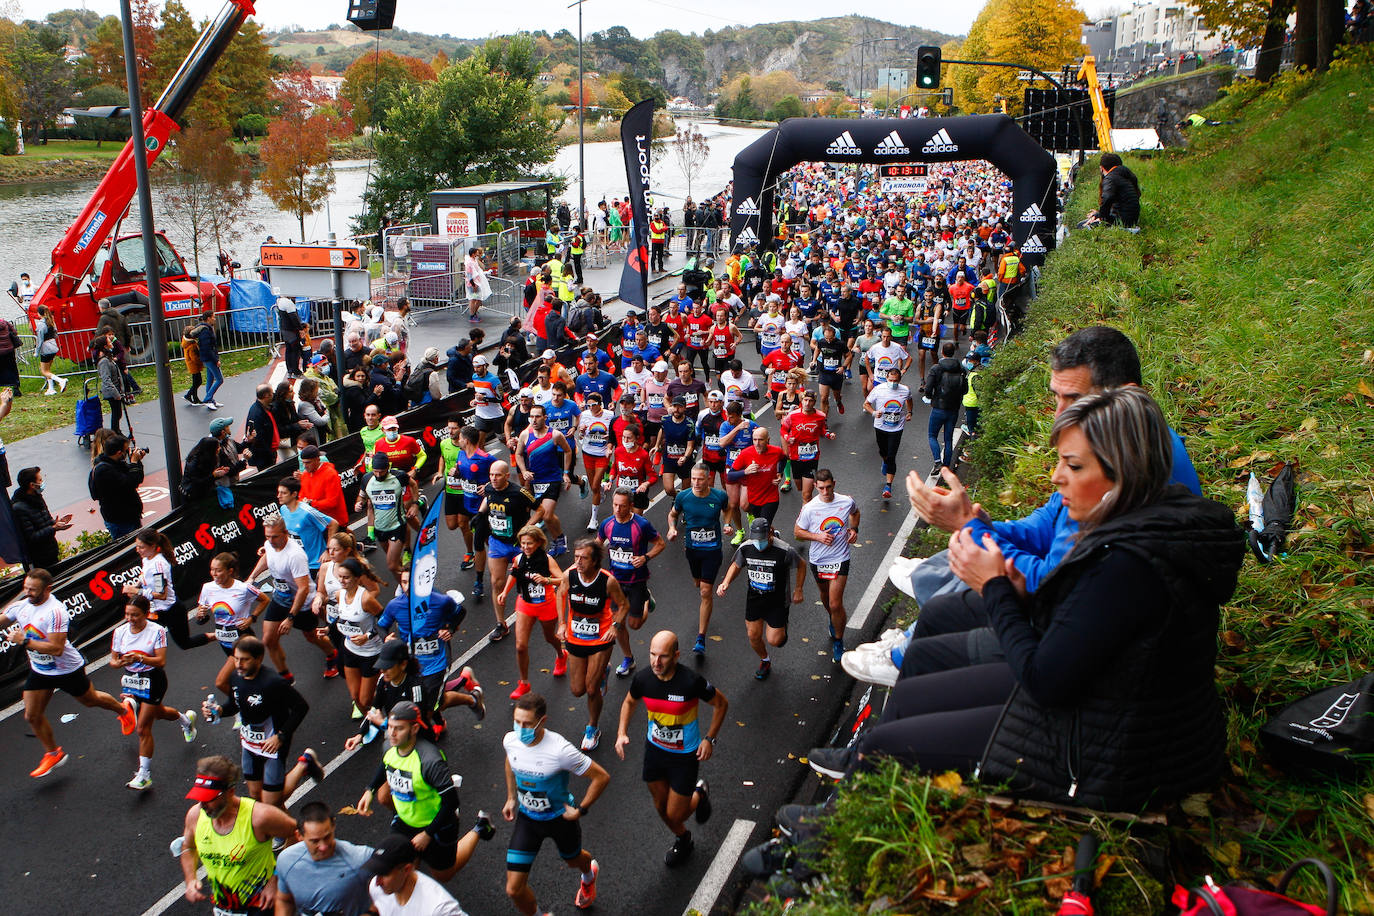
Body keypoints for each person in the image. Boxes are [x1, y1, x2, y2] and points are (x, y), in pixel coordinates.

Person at [806, 388, 1245, 814]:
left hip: (1107, 755)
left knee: (889, 744)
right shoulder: (1131, 523)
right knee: (917, 682)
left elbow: (1045, 680)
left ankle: (828, 839)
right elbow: (1074, 616)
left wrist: (995, 586)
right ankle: (848, 791)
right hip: (1114, 708)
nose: (1056, 478)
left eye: (1072, 466)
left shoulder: (1124, 562)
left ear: (1122, 472)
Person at [1, 568, 138, 777]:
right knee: (32, 714)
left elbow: (56, 648)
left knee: (90, 700)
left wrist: (25, 641)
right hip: (41, 671)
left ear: (48, 589)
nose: (28, 593)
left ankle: (124, 710)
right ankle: (53, 753)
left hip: (66, 669)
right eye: (26, 588)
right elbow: (3, 618)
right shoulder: (22, 605)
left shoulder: (55, 612)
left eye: (33, 590)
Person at [614, 630, 726, 866]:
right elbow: (629, 702)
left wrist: (709, 739)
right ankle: (683, 838)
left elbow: (721, 704)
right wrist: (621, 733)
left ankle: (700, 793)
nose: (656, 662)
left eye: (663, 656)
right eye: (652, 655)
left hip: (684, 755)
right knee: (660, 807)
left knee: (676, 813)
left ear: (675, 655)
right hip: (655, 751)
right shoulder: (643, 679)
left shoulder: (690, 682)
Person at [358, 701, 492, 883]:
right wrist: (370, 790)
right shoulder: (389, 747)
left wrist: (427, 834)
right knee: (400, 869)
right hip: (404, 822)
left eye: (399, 729)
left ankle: (479, 828)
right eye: (389, 727)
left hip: (438, 825)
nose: (392, 733)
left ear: (414, 729)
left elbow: (452, 802)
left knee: (443, 875)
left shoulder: (430, 761)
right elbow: (386, 765)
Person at [503, 691, 610, 914]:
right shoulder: (510, 740)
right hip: (528, 820)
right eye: (517, 722)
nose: (520, 729)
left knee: (573, 860)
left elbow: (601, 777)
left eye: (527, 724)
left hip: (560, 819)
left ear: (542, 722)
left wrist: (581, 810)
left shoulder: (560, 750)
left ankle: (588, 875)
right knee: (513, 889)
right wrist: (512, 797)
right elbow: (510, 762)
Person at [203, 635, 315, 809]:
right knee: (256, 796)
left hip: (273, 746)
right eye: (236, 659)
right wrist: (219, 711)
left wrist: (281, 736)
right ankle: (285, 833)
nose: (239, 664)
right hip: (249, 744)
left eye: (245, 660)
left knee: (271, 802)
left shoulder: (273, 682)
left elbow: (301, 707)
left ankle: (304, 764)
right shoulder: (235, 677)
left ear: (259, 659)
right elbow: (235, 705)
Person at [179, 755, 299, 914]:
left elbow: (298, 835)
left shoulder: (259, 817)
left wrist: (277, 878)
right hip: (224, 907)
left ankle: (303, 765)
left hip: (262, 906)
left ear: (230, 792)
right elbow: (188, 847)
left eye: (209, 799)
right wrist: (190, 879)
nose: (203, 805)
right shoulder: (195, 816)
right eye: (200, 798)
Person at [110, 595, 198, 790]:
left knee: (142, 728)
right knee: (159, 712)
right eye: (127, 614)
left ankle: (144, 775)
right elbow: (113, 661)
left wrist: (140, 658)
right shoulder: (119, 632)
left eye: (135, 615)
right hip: (132, 681)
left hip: (153, 679)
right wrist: (121, 662)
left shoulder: (157, 631)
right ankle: (186, 721)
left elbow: (161, 661)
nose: (130, 619)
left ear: (146, 614)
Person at [716, 518, 805, 680]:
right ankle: (765, 660)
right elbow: (736, 565)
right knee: (753, 636)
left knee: (775, 640)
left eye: (762, 540)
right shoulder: (747, 547)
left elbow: (801, 565)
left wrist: (798, 589)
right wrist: (725, 582)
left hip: (777, 601)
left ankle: (782, 627)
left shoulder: (784, 550)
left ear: (770, 534)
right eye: (755, 539)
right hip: (755, 598)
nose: (758, 543)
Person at [251, 513, 334, 682]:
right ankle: (285, 677)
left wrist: (290, 618)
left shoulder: (295, 555)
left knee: (310, 636)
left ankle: (333, 654)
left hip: (302, 601)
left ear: (286, 533)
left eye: (275, 536)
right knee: (268, 640)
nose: (271, 540)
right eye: (268, 536)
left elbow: (303, 589)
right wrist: (251, 578)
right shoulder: (269, 544)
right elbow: (267, 556)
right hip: (281, 597)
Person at [598, 487, 667, 678]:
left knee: (635, 625)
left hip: (637, 580)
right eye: (615, 505)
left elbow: (661, 544)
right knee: (617, 623)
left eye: (622, 506)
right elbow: (598, 543)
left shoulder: (641, 525)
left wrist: (645, 557)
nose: (618, 509)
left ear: (631, 506)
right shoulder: (607, 524)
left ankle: (646, 600)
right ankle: (629, 658)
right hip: (616, 581)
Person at [793, 469, 860, 664]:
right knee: (825, 598)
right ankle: (834, 619)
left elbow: (855, 513)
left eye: (828, 487)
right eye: (821, 488)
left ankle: (838, 640)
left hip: (840, 557)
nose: (825, 492)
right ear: (815, 487)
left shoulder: (846, 501)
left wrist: (854, 529)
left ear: (834, 484)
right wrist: (817, 536)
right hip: (818, 560)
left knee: (835, 603)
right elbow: (797, 532)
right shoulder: (810, 509)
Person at [667, 462, 731, 656]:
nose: (695, 482)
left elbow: (727, 509)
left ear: (708, 479)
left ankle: (701, 638)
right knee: (698, 583)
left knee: (705, 591)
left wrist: (727, 524)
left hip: (713, 550)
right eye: (693, 478)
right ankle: (702, 585)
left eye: (700, 479)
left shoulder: (719, 496)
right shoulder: (683, 496)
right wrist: (672, 527)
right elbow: (672, 514)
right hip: (692, 550)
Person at [500, 525, 568, 701]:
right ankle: (524, 683)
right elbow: (514, 574)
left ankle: (561, 655)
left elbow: (563, 580)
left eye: (529, 543)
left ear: (538, 543)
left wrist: (547, 580)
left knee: (549, 637)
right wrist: (504, 593)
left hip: (546, 603)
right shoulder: (518, 558)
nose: (525, 547)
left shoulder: (547, 559)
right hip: (525, 603)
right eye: (523, 543)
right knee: (520, 646)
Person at [275, 802, 375, 916]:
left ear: (333, 827)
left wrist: (371, 913)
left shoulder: (360, 858)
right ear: (299, 836)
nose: (323, 847)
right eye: (315, 841)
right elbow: (284, 900)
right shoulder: (286, 860)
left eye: (327, 837)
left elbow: (397, 880)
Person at [481, 460, 538, 643]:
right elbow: (487, 500)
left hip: (518, 545)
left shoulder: (519, 493)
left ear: (507, 476)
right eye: (491, 475)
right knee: (496, 582)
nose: (493, 478)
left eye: (498, 475)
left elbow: (540, 510)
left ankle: (532, 610)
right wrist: (480, 514)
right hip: (497, 542)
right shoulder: (489, 489)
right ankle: (500, 623)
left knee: (525, 581)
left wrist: (526, 531)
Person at [514, 403, 575, 558]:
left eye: (537, 416)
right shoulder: (525, 435)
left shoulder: (554, 435)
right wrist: (524, 471)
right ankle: (559, 539)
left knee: (546, 515)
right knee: (544, 514)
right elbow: (518, 454)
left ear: (545, 418)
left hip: (552, 479)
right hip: (534, 481)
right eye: (531, 416)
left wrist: (566, 473)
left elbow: (568, 451)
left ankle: (557, 539)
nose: (534, 420)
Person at [440, 422, 494, 593]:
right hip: (466, 503)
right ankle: (491, 555)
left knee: (482, 542)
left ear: (467, 440)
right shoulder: (461, 455)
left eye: (461, 438)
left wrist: (489, 486)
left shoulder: (485, 458)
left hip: (482, 509)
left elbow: (501, 473)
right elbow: (461, 471)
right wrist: (456, 472)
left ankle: (479, 581)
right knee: (479, 536)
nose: (458, 440)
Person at [363, 833, 471, 916]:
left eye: (384, 874)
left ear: (407, 870)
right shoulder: (377, 887)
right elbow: (382, 905)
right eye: (377, 873)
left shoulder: (440, 909)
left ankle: (478, 829)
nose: (377, 882)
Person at [355, 452, 419, 582]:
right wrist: (358, 503)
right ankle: (404, 587)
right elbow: (361, 496)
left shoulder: (399, 476)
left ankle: (414, 580)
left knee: (391, 565)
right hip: (380, 528)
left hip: (397, 525)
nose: (378, 475)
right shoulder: (367, 479)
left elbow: (413, 485)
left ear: (388, 468)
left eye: (382, 472)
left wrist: (415, 504)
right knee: (395, 564)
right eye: (375, 471)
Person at [863, 365, 914, 499]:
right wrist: (874, 412)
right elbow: (866, 404)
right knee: (883, 452)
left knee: (892, 456)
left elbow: (909, 400)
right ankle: (885, 461)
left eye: (895, 381)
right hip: (880, 426)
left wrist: (909, 412)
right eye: (890, 380)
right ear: (886, 378)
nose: (893, 383)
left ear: (899, 380)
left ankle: (888, 485)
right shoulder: (878, 389)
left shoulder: (905, 390)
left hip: (897, 428)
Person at [728, 426, 787, 530]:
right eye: (754, 440)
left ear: (768, 440)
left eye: (760, 440)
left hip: (771, 497)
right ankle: (773, 535)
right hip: (754, 498)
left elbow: (783, 459)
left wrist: (779, 473)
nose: (757, 443)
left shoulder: (776, 451)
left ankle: (770, 541)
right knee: (762, 527)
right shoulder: (745, 454)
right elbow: (730, 476)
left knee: (763, 527)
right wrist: (745, 472)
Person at [88, 433, 146, 538]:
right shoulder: (105, 471)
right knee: (129, 549)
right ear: (119, 453)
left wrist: (137, 463)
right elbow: (131, 482)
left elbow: (137, 478)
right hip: (121, 520)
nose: (127, 452)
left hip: (125, 516)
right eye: (126, 450)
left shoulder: (112, 463)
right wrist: (134, 462)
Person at [779, 390, 834, 502]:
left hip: (812, 457)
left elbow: (823, 429)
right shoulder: (792, 415)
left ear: (814, 402)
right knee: (800, 487)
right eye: (805, 400)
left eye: (811, 401)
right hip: (796, 456)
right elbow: (783, 430)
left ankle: (805, 513)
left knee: (806, 494)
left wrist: (829, 435)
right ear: (802, 401)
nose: (808, 403)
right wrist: (788, 438)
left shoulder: (820, 416)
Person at [11, 467, 70, 570]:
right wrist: (53, 528)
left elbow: (45, 520)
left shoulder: (37, 497)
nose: (42, 482)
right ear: (32, 485)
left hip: (51, 551)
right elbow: (31, 537)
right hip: (39, 559)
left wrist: (56, 523)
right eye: (40, 480)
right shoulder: (19, 509)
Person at [923, 341, 969, 475]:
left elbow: (928, 388)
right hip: (953, 408)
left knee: (932, 435)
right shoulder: (960, 369)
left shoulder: (936, 368)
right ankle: (947, 465)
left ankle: (937, 461)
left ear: (942, 352)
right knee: (948, 438)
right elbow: (964, 389)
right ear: (953, 352)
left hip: (938, 407)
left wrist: (930, 397)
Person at [186, 311, 224, 409]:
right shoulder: (205, 331)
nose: (215, 319)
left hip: (207, 358)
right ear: (208, 318)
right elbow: (208, 348)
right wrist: (216, 360)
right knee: (219, 379)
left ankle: (210, 399)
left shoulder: (206, 329)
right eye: (213, 317)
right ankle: (207, 399)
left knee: (210, 379)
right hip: (209, 358)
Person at [95, 334, 129, 433]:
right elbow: (106, 380)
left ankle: (116, 431)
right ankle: (115, 432)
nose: (111, 342)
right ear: (105, 346)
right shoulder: (104, 362)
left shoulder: (109, 358)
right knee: (116, 413)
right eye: (109, 341)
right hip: (111, 392)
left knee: (118, 413)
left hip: (116, 390)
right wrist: (116, 394)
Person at [32, 305, 66, 395]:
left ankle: (61, 381)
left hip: (46, 348)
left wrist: (36, 352)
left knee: (44, 371)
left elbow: (40, 340)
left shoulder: (41, 324)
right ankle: (51, 388)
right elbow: (56, 333)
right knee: (48, 369)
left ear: (39, 313)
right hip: (53, 346)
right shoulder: (51, 321)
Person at [276, 288, 307, 378]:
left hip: (285, 330)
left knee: (289, 350)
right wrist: (301, 330)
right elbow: (294, 318)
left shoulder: (279, 301)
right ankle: (295, 371)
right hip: (291, 331)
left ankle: (290, 370)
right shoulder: (288, 303)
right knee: (295, 350)